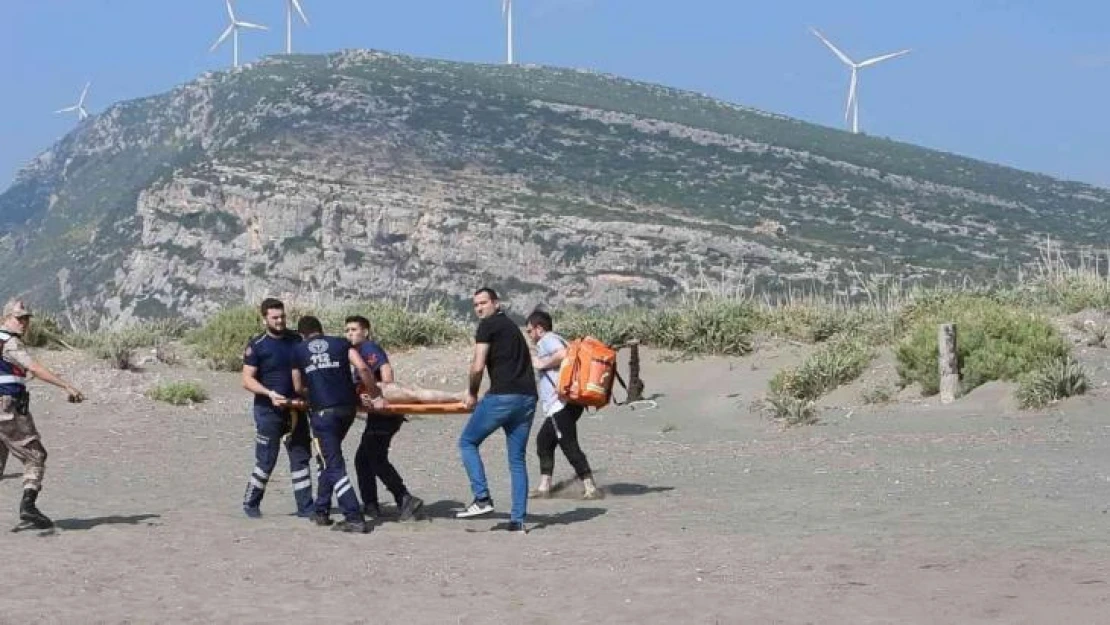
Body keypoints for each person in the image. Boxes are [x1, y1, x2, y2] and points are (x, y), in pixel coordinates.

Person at [456, 287, 538, 533]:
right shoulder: (512, 328)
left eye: (483, 303)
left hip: (504, 397)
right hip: (528, 399)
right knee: (517, 460)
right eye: (476, 305)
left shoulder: (488, 325)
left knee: (467, 442)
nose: (479, 308)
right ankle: (517, 520)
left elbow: (478, 365)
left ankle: (482, 498)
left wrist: (472, 393)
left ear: (496, 303)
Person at [292, 315, 382, 534]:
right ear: (321, 330)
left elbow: (297, 385)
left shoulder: (299, 350)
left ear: (302, 334)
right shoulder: (342, 344)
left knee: (333, 464)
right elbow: (362, 368)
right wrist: (375, 393)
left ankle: (353, 516)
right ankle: (321, 510)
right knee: (326, 458)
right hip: (347, 409)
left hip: (323, 413)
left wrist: (312, 391)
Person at [0, 300, 85, 530]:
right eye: (19, 318)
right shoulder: (10, 343)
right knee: (36, 456)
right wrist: (66, 386)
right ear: (5, 318)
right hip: (8, 408)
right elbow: (35, 367)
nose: (24, 323)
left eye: (26, 318)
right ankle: (28, 506)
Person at [344, 315, 425, 522]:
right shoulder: (358, 353)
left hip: (385, 413)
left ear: (366, 332)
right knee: (365, 459)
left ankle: (404, 498)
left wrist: (381, 392)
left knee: (373, 458)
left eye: (354, 329)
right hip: (377, 413)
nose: (350, 334)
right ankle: (372, 504)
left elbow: (386, 372)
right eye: (347, 330)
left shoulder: (369, 350)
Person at [239, 298, 314, 519]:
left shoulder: (297, 340)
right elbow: (246, 380)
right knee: (266, 460)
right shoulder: (257, 345)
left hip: (296, 409)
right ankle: (251, 503)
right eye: (275, 317)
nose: (280, 321)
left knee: (300, 458)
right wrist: (269, 393)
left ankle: (306, 507)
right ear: (265, 319)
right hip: (268, 411)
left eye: (282, 316)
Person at [525, 310, 602, 500]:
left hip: (561, 404)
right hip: (566, 404)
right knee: (544, 441)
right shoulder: (557, 338)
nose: (529, 335)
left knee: (569, 445)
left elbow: (563, 354)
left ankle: (590, 486)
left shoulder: (548, 340)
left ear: (539, 329)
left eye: (529, 331)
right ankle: (545, 486)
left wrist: (542, 364)